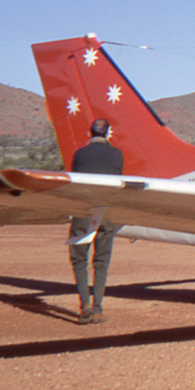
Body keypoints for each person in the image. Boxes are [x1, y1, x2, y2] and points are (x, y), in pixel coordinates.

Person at [68, 118, 124, 324]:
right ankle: (98, 307)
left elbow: (74, 181)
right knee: (102, 261)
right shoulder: (116, 154)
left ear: (90, 132)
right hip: (106, 211)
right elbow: (117, 181)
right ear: (108, 133)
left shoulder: (80, 154)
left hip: (83, 210)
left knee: (79, 257)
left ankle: (84, 306)